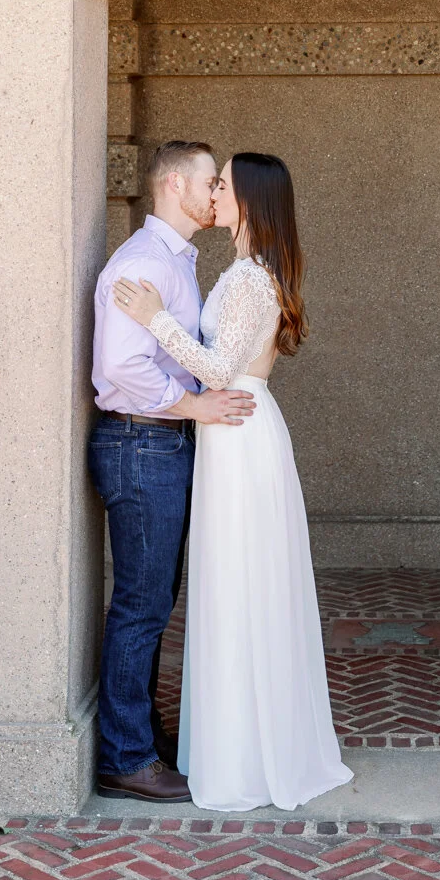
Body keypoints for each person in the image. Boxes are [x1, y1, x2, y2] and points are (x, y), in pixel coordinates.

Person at [113, 152, 353, 810]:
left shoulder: (250, 277)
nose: (213, 191)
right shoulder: (245, 271)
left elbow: (219, 371)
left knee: (241, 586)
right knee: (234, 588)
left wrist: (154, 317)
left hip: (241, 436)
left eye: (222, 183)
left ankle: (245, 756)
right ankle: (236, 742)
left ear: (247, 199)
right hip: (231, 436)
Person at [89, 140, 256, 804]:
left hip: (162, 444)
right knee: (140, 604)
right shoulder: (143, 263)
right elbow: (122, 368)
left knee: (154, 602)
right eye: (209, 180)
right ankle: (125, 757)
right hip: (141, 443)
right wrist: (194, 406)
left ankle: (140, 735)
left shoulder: (178, 262)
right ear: (175, 186)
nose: (216, 192)